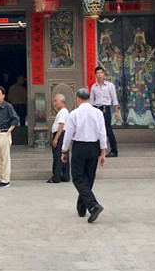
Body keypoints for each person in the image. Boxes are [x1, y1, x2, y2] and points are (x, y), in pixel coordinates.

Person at [61, 88, 107, 223]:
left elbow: (68, 134)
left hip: (79, 147)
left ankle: (93, 205)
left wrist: (64, 151)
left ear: (78, 99)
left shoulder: (74, 114)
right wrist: (103, 152)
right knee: (88, 177)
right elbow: (102, 133)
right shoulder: (98, 113)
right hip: (94, 147)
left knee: (77, 177)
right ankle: (82, 208)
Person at [0, 85, 20, 189]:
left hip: (4, 133)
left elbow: (15, 119)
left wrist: (8, 132)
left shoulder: (8, 106)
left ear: (3, 95)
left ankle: (6, 180)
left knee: (5, 158)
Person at [89, 66, 120, 157]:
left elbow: (114, 99)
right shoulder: (94, 87)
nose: (99, 75)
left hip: (106, 109)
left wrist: (116, 111)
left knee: (108, 129)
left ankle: (114, 150)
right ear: (95, 75)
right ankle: (99, 150)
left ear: (104, 74)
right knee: (97, 130)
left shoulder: (110, 85)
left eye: (101, 73)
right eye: (97, 73)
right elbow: (91, 101)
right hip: (96, 109)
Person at [47, 93, 70, 184]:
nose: (54, 103)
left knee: (58, 156)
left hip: (60, 135)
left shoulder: (63, 112)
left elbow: (61, 126)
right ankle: (65, 176)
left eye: (56, 101)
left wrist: (56, 139)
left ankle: (56, 177)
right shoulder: (63, 112)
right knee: (63, 156)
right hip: (62, 135)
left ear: (61, 101)